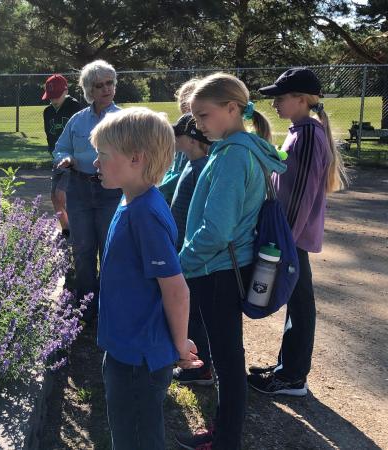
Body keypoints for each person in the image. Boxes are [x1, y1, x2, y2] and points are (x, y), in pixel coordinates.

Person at [175, 73, 286, 450]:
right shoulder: (239, 149)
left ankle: (225, 441)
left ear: (232, 108)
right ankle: (225, 436)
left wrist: (182, 262)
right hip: (222, 268)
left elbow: (217, 230)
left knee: (226, 361)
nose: (199, 125)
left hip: (217, 270)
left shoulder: (234, 156)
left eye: (203, 116)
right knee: (227, 358)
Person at [91, 107, 202, 450]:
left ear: (136, 158)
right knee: (126, 431)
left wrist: (180, 343)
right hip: (124, 346)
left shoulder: (145, 213)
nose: (96, 163)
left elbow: (176, 289)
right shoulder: (131, 201)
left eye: (103, 155)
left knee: (136, 436)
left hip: (139, 356)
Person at [248, 67, 349, 396]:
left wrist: (283, 241)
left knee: (301, 303)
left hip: (291, 238)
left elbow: (302, 192)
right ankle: (287, 367)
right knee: (297, 301)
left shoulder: (307, 135)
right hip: (290, 236)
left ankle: (292, 376)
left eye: (280, 97)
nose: (275, 103)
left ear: (301, 99)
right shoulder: (299, 131)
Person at [53, 60, 123, 320]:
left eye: (110, 83)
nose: (106, 89)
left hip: (111, 191)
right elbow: (60, 147)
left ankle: (109, 307)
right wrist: (65, 158)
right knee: (82, 248)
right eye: (99, 85)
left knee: (110, 248)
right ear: (89, 90)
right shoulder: (77, 120)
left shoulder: (123, 120)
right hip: (79, 189)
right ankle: (85, 308)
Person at [168, 113, 214, 387]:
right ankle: (194, 362)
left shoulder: (201, 168)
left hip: (191, 255)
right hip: (181, 250)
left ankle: (201, 367)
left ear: (192, 139)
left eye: (178, 133)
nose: (175, 138)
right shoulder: (191, 163)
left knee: (194, 312)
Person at [43, 74, 82, 237]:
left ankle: (76, 227)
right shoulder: (47, 112)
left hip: (71, 159)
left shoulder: (75, 107)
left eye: (56, 96)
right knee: (54, 197)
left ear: (66, 90)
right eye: (50, 97)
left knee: (61, 194)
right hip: (57, 158)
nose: (53, 100)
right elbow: (49, 136)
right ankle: (67, 229)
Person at [159, 78, 201, 203]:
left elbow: (188, 172)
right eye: (182, 101)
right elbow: (173, 167)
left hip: (186, 194)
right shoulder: (181, 130)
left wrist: (162, 188)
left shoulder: (200, 137)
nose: (185, 105)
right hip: (171, 194)